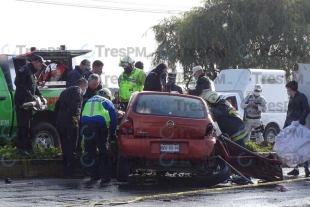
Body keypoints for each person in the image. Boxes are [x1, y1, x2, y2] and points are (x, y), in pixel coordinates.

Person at [81, 88, 117, 183]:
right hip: (99, 126)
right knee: (102, 151)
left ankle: (94, 176)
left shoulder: (89, 100)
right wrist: (113, 132)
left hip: (86, 126)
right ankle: (104, 176)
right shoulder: (107, 101)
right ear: (107, 95)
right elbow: (113, 118)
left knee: (90, 151)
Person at [54, 78, 88, 178]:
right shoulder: (78, 90)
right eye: (85, 88)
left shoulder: (64, 91)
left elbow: (57, 107)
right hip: (70, 122)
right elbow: (75, 106)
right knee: (72, 146)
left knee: (64, 146)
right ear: (82, 85)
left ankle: (66, 170)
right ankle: (72, 172)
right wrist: (76, 118)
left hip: (61, 121)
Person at [14, 55, 47, 156]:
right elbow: (18, 83)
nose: (41, 67)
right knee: (23, 125)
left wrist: (40, 96)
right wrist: (30, 95)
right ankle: (21, 148)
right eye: (41, 64)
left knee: (29, 126)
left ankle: (28, 147)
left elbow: (35, 87)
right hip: (22, 102)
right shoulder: (25, 69)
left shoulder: (32, 73)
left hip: (29, 103)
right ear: (36, 62)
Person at [284, 81, 310, 177]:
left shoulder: (301, 97)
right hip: (290, 125)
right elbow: (289, 112)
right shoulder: (291, 98)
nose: (287, 90)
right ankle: (296, 168)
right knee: (293, 147)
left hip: (298, 126)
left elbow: (306, 109)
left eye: (287, 88)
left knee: (300, 147)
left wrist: (299, 121)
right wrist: (285, 126)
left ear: (290, 88)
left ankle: (306, 169)